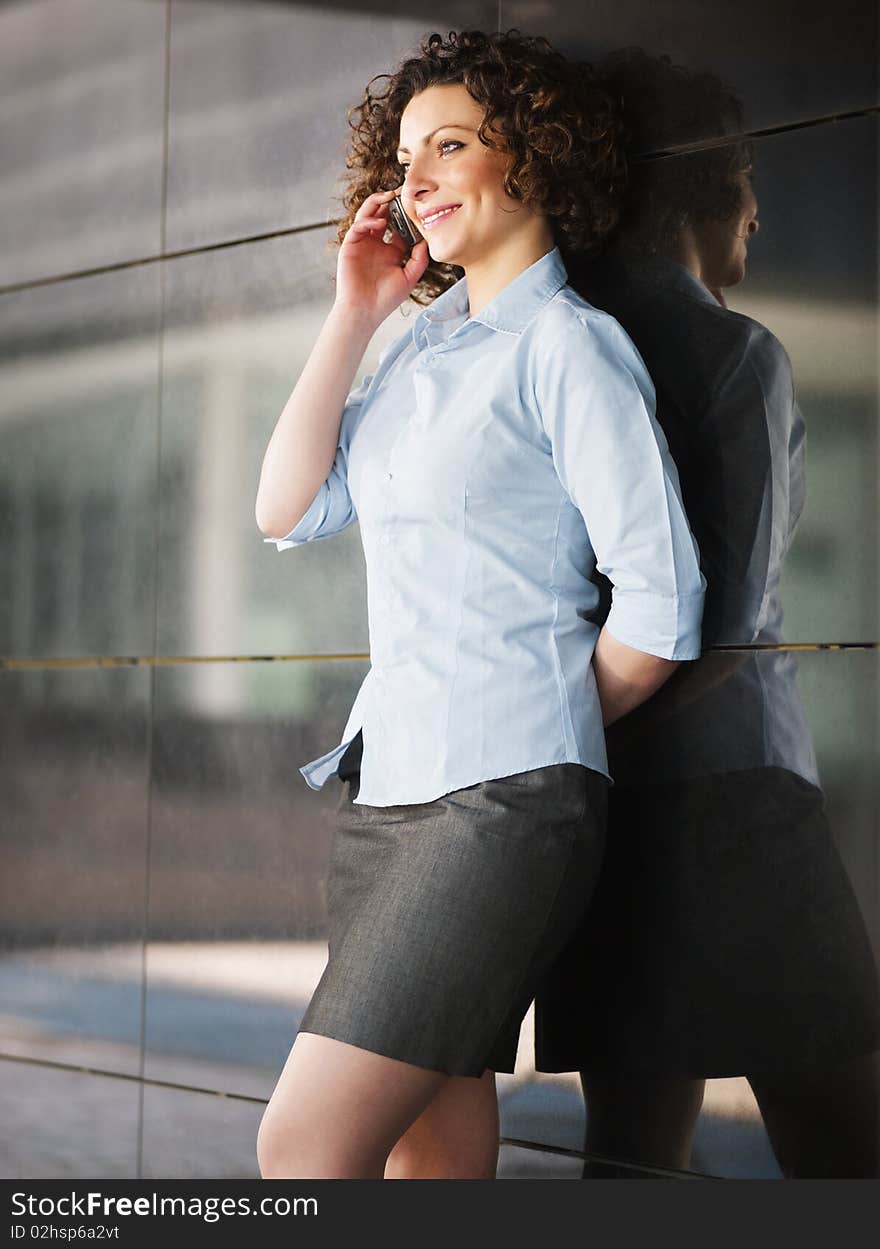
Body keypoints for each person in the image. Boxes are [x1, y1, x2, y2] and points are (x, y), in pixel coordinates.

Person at [253, 29, 705, 1180]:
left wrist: (532, 724)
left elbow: (659, 603)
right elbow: (285, 508)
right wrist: (354, 313)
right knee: (432, 1155)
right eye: (404, 156)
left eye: (449, 145)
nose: (415, 179)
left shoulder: (569, 347)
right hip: (387, 791)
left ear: (533, 161)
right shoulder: (415, 354)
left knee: (302, 1146)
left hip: (496, 806)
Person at [534, 49, 880, 1178]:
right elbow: (724, 625)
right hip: (737, 794)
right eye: (748, 179)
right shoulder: (734, 352)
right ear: (707, 188)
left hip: (602, 797)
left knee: (631, 1153)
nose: (760, 214)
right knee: (843, 1141)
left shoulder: (554, 337)